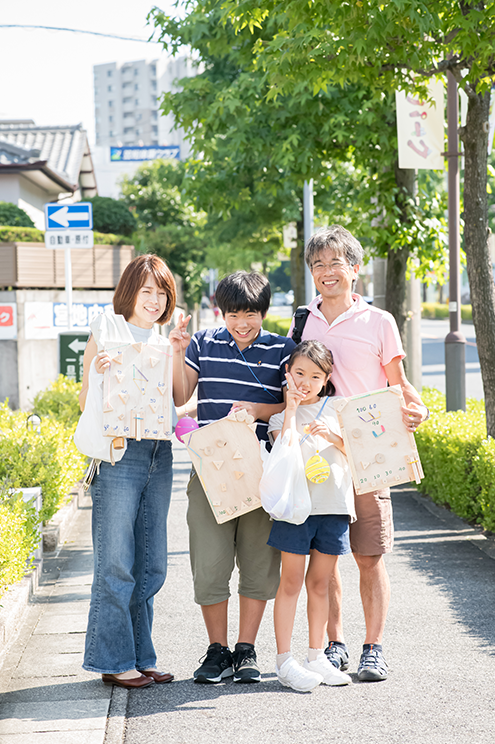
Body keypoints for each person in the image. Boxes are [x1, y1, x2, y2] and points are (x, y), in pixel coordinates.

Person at [291, 225, 429, 682]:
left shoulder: (379, 321)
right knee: (325, 555)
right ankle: (335, 644)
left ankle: (374, 647)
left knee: (370, 555)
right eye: (318, 265)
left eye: (335, 263)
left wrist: (415, 406)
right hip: (321, 454)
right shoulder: (302, 320)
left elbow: (398, 382)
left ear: (354, 268)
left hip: (368, 452)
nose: (327, 272)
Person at [169, 271, 296, 683]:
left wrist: (258, 411)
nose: (243, 323)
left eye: (252, 313)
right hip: (211, 472)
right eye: (234, 313)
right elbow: (180, 396)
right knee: (209, 564)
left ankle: (245, 649)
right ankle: (216, 650)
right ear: (221, 311)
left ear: (264, 311)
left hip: (262, 470)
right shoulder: (203, 343)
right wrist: (177, 351)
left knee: (260, 564)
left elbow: (298, 400)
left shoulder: (283, 349)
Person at [80, 254, 177, 690]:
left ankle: (142, 655)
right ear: (130, 292)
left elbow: (174, 406)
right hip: (119, 455)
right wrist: (100, 376)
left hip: (159, 453)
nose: (155, 300)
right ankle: (114, 660)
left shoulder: (164, 340)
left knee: (152, 562)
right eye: (147, 290)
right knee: (117, 561)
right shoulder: (107, 329)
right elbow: (86, 401)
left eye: (162, 293)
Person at [265, 341, 355, 692]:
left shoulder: (340, 408)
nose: (305, 381)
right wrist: (290, 408)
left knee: (320, 584)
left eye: (314, 376)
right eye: (299, 373)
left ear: (327, 378)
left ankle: (316, 656)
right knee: (290, 583)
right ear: (287, 373)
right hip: (295, 510)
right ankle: (285, 660)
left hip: (333, 508)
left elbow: (360, 450)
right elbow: (281, 446)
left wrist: (333, 435)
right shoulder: (278, 416)